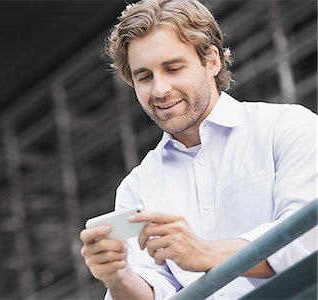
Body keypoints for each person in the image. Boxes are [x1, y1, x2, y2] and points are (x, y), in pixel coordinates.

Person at [79, 0, 318, 299]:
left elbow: (309, 240)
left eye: (173, 68)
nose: (160, 90)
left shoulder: (287, 128)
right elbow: (154, 293)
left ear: (212, 61)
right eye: (145, 76)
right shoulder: (136, 188)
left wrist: (205, 253)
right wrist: (117, 276)